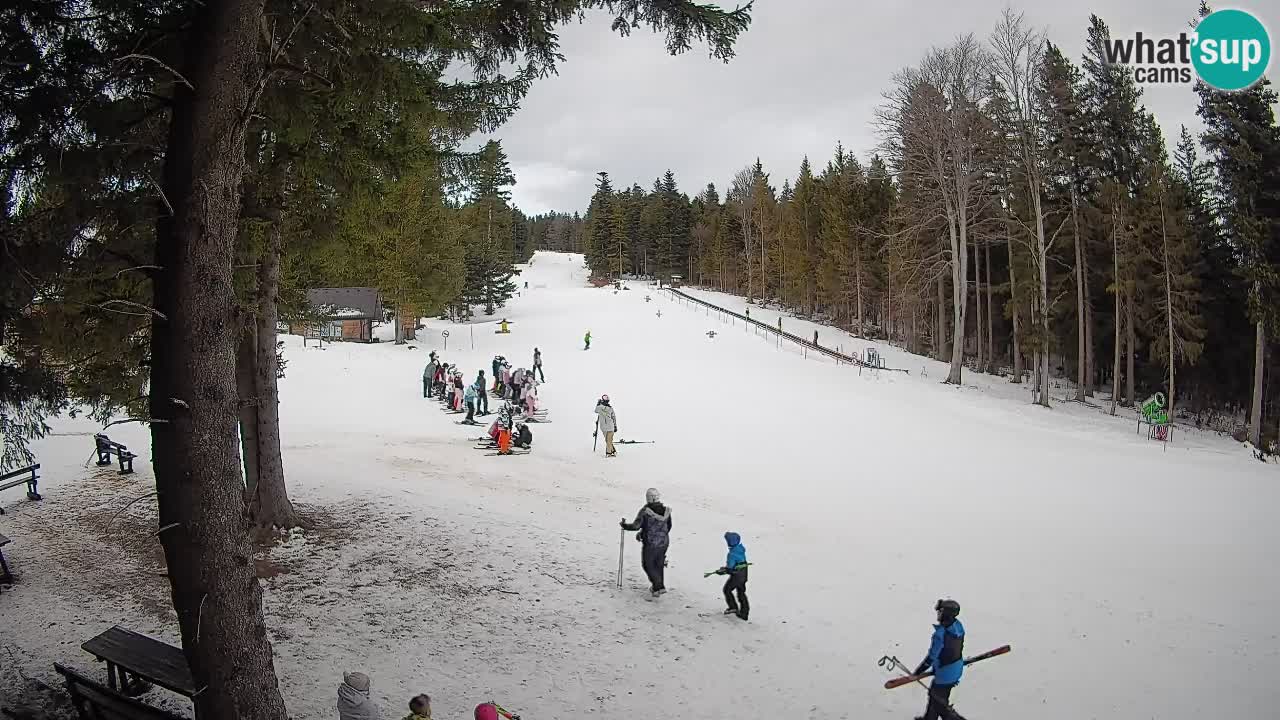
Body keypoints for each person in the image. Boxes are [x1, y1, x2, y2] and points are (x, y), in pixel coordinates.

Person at [913, 599, 965, 720]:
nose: (938, 614)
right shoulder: (958, 626)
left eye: (941, 612)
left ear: (946, 615)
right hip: (956, 667)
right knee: (936, 696)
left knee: (940, 703)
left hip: (945, 674)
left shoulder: (940, 635)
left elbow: (931, 657)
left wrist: (917, 673)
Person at [620, 487, 672, 596]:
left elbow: (635, 526)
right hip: (664, 542)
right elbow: (669, 526)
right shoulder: (666, 511)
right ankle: (659, 588)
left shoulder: (645, 511)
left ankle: (657, 586)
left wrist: (625, 526)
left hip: (650, 543)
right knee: (658, 564)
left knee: (647, 564)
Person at [715, 532, 749, 620]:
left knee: (727, 590)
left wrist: (721, 571)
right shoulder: (740, 549)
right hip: (744, 575)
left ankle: (733, 607)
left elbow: (730, 569)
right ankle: (744, 612)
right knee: (741, 592)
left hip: (736, 577)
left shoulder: (732, 554)